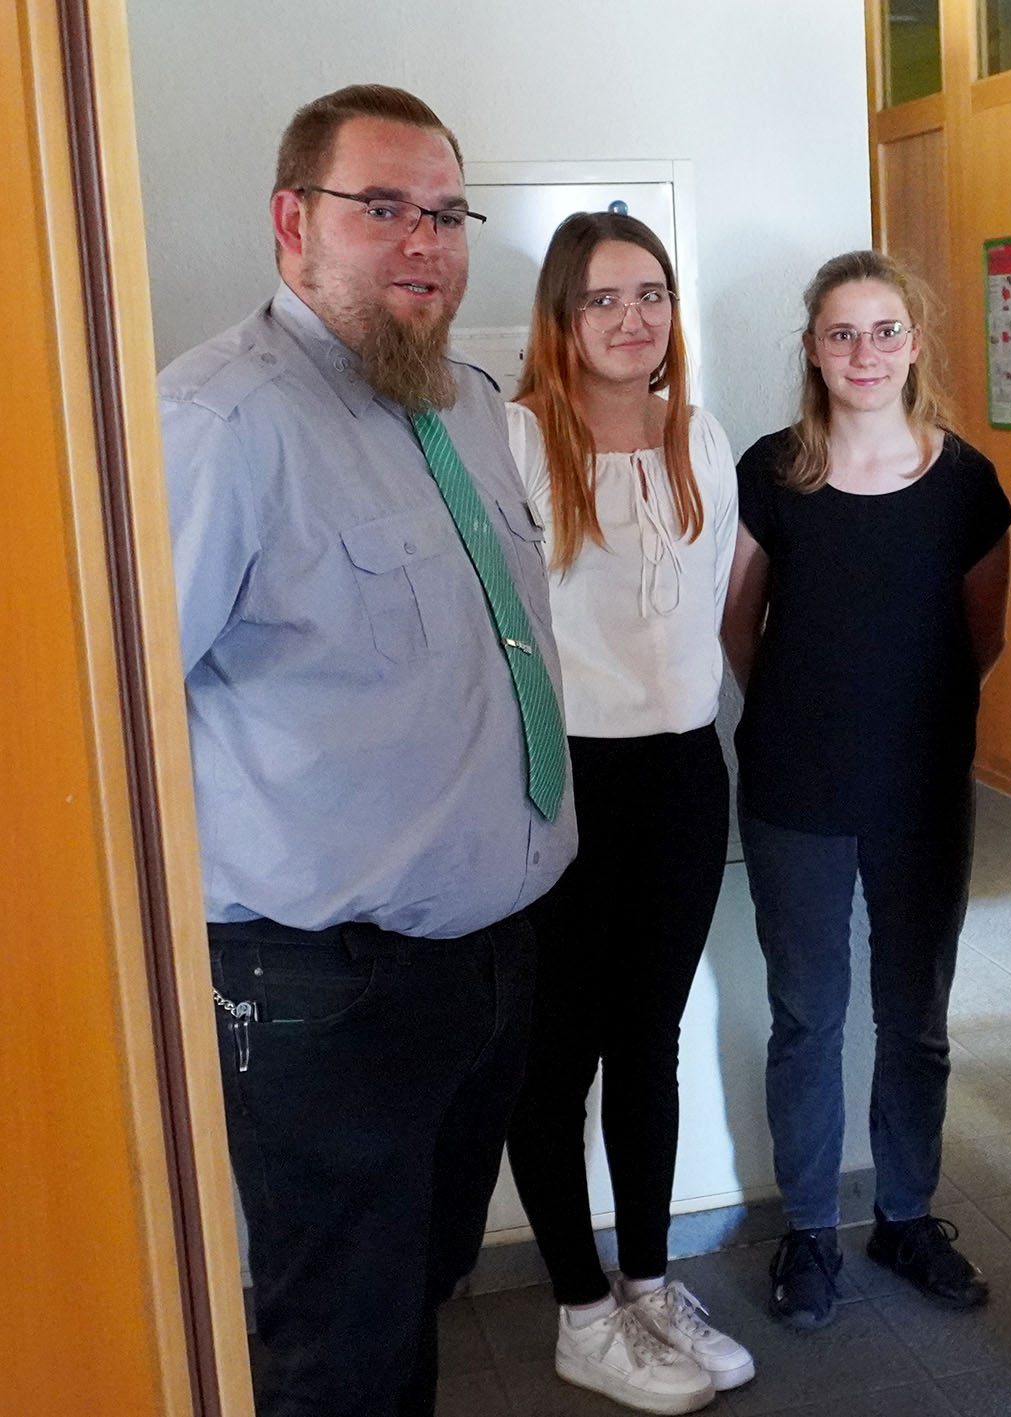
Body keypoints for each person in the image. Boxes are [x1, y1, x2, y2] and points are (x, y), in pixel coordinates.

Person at [160, 85, 577, 1417]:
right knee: (339, 1345)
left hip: (490, 962)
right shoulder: (219, 424)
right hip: (324, 992)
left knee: (420, 1286)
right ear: (293, 221)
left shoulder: (468, 404)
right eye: (383, 207)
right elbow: (113, 721)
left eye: (446, 214)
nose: (424, 242)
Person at [722, 250, 1011, 1331]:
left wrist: (900, 721)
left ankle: (905, 1215)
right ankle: (808, 1230)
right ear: (812, 348)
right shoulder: (770, 471)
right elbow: (739, 627)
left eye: (885, 330)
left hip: (922, 789)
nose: (864, 352)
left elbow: (981, 637)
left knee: (916, 1019)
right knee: (807, 1016)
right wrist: (813, 709)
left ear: (914, 343)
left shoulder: (965, 480)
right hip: (795, 786)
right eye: (841, 333)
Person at [501, 211, 749, 1414]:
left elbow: (711, 605)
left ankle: (648, 1284)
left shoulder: (700, 434)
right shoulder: (512, 438)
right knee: (555, 1055)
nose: (631, 317)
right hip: (565, 779)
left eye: (650, 293)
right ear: (561, 315)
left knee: (650, 1040)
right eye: (602, 297)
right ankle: (581, 1309)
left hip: (683, 776)